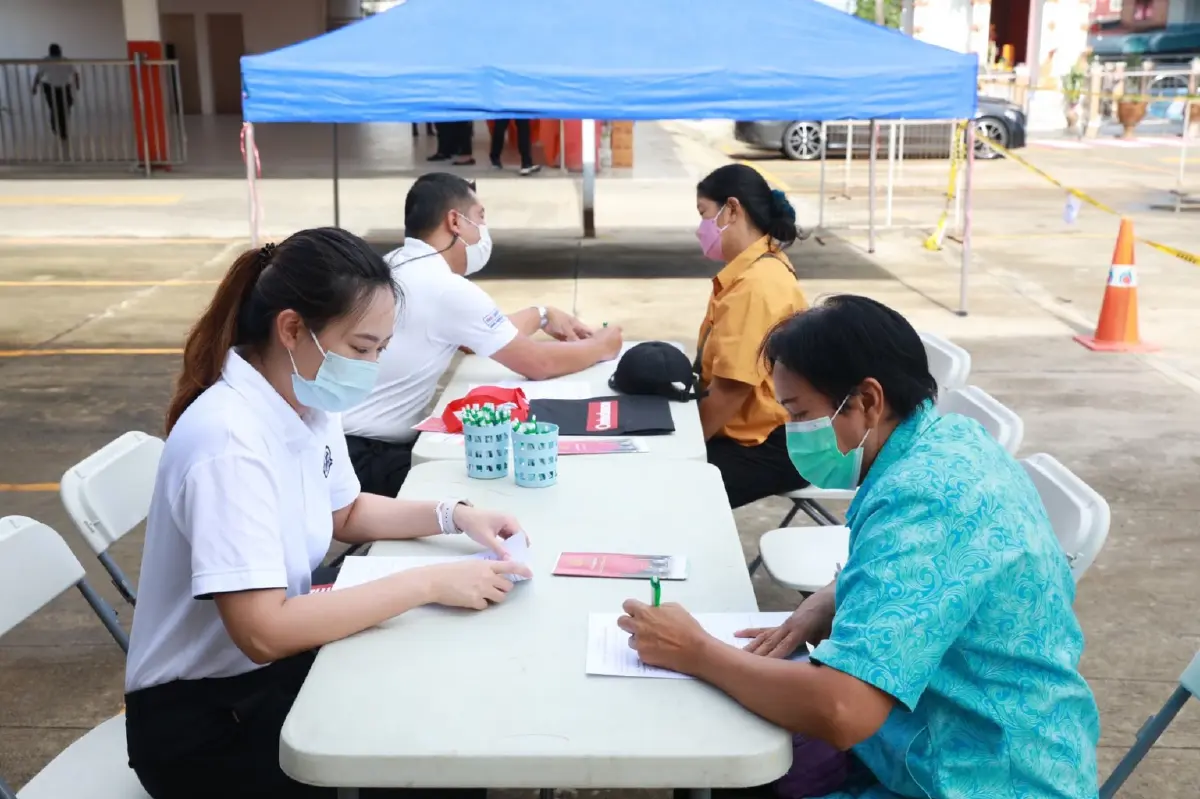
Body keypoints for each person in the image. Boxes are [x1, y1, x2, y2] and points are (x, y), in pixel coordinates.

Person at [618, 295, 1101, 799]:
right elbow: (915, 570)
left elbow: (843, 710)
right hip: (951, 737)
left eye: (800, 413)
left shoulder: (926, 498)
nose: (793, 433)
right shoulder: (947, 441)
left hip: (986, 776)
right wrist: (833, 594)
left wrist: (696, 651)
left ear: (868, 400)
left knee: (736, 756)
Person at [123, 227, 532, 799]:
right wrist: (431, 581)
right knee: (426, 748)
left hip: (261, 680)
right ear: (292, 329)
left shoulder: (305, 396)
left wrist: (455, 515)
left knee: (441, 706)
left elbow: (345, 511)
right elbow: (263, 633)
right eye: (361, 348)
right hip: (205, 724)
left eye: (380, 350)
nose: (370, 366)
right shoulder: (228, 444)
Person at [342, 173, 622, 498]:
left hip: (344, 446)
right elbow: (539, 363)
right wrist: (601, 346)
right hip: (367, 457)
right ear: (455, 222)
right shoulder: (446, 288)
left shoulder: (395, 263)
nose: (484, 231)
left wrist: (542, 314)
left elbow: (477, 338)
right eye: (481, 217)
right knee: (500, 485)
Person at [693, 163, 809, 509]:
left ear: (732, 208)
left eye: (704, 214)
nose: (700, 228)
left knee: (669, 489)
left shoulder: (756, 286)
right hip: (755, 434)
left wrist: (685, 447)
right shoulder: (756, 269)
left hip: (770, 445)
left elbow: (730, 392)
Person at [31, 43, 79, 143]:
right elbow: (75, 74)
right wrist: (77, 85)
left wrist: (35, 87)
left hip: (57, 87)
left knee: (58, 108)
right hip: (57, 87)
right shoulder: (62, 60)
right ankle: (60, 130)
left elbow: (39, 75)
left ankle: (58, 128)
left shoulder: (56, 61)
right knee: (60, 109)